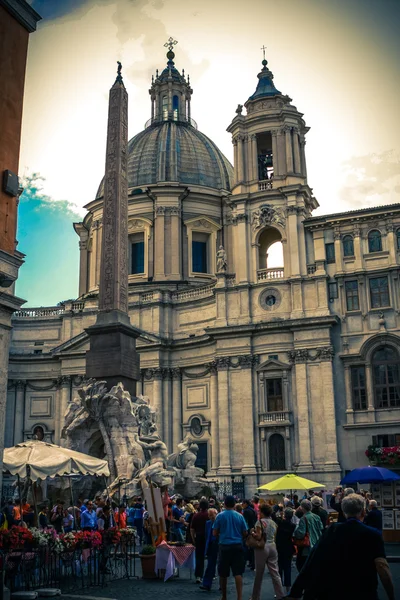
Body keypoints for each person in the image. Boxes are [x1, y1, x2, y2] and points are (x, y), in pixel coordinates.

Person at [287, 494, 395, 600]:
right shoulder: (373, 535)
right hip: (364, 591)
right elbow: (382, 568)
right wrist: (391, 596)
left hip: (335, 591)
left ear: (344, 512)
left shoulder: (332, 531)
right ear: (363, 512)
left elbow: (312, 560)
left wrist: (296, 590)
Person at [213, 495, 248, 600]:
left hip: (224, 546)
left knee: (223, 574)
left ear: (224, 504)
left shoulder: (219, 516)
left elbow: (214, 533)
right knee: (238, 573)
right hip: (237, 545)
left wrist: (222, 534)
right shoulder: (240, 516)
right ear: (234, 504)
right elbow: (245, 532)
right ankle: (239, 597)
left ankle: (224, 596)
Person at [249, 504, 285, 600]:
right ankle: (280, 595)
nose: (258, 513)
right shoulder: (274, 523)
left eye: (259, 511)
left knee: (259, 574)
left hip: (262, 547)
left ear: (262, 512)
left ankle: (255, 596)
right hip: (272, 546)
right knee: (275, 573)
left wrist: (252, 532)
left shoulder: (259, 522)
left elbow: (259, 536)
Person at [293, 499, 323, 572]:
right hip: (317, 543)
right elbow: (321, 528)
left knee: (302, 566)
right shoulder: (317, 517)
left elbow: (300, 533)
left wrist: (296, 530)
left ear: (303, 508)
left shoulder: (304, 518)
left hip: (307, 546)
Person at [275, 507, 296, 595]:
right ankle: (288, 589)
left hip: (279, 547)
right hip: (288, 548)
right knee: (287, 568)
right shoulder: (293, 526)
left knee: (279, 568)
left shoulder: (279, 523)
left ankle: (278, 590)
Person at [190, 499, 209, 583]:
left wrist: (194, 539)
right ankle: (210, 575)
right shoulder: (209, 515)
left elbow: (192, 529)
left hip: (199, 537)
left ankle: (198, 575)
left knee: (199, 557)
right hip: (208, 537)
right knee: (211, 557)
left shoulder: (196, 516)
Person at [200, 508, 219, 591]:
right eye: (209, 515)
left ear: (216, 514)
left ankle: (222, 584)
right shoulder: (207, 523)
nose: (210, 517)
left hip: (219, 544)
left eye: (212, 515)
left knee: (221, 565)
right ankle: (206, 584)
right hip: (211, 545)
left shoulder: (219, 522)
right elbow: (206, 535)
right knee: (210, 565)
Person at [242, 499, 257, 570]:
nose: (242, 505)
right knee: (252, 548)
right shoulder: (252, 510)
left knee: (248, 547)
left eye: (243, 503)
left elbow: (245, 522)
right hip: (253, 529)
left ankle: (251, 562)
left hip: (249, 530)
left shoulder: (246, 511)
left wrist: (245, 531)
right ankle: (252, 563)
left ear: (246, 503)